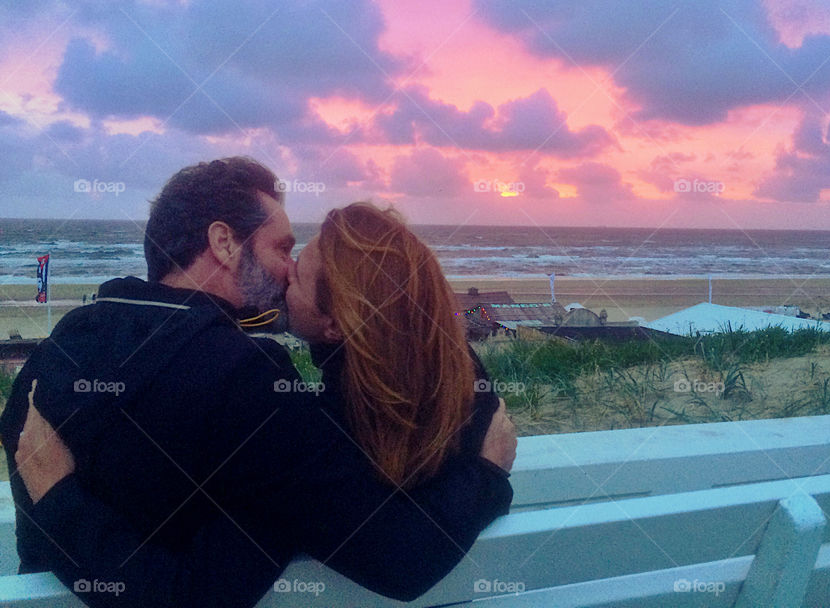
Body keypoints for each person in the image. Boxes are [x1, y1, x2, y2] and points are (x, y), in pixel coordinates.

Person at [3, 161, 516, 608]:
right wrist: (487, 474)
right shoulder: (246, 379)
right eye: (283, 247)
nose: (290, 268)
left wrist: (58, 499)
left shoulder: (51, 359)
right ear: (224, 242)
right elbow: (399, 561)